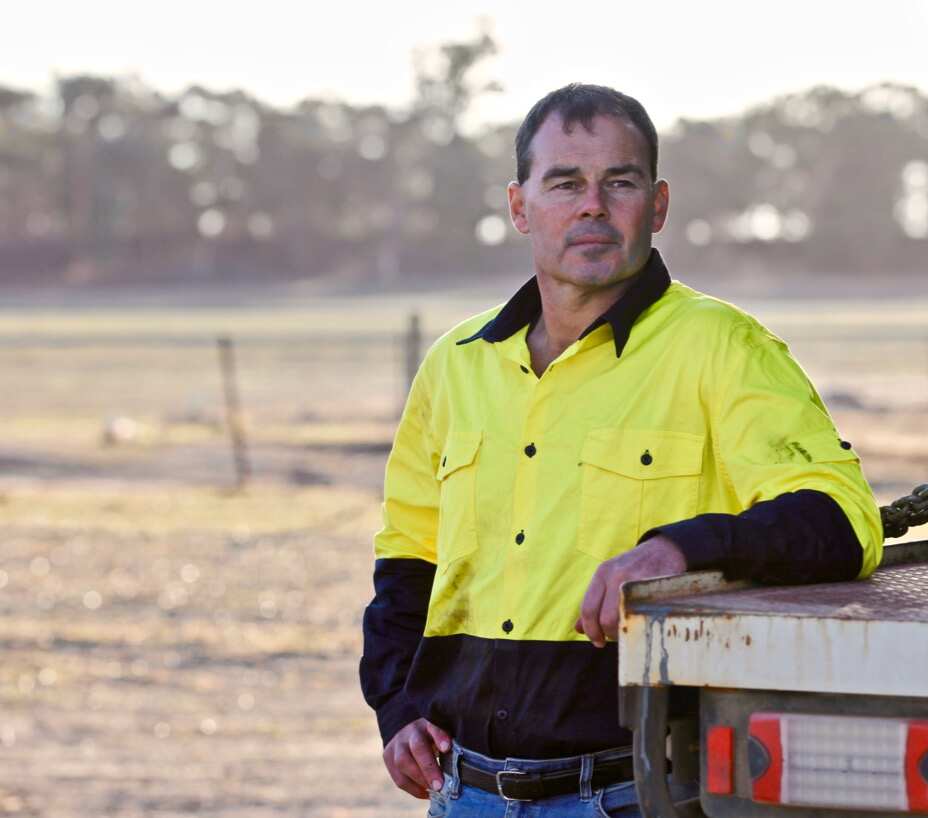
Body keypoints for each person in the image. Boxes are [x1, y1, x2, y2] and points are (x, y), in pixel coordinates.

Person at [359, 83, 883, 816]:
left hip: (633, 793)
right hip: (464, 794)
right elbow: (407, 559)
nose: (593, 207)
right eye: (565, 183)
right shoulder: (457, 364)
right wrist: (395, 706)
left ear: (658, 205)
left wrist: (677, 550)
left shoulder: (721, 348)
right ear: (519, 206)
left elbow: (844, 522)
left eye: (620, 182)